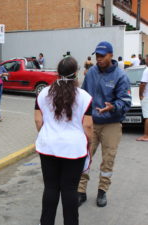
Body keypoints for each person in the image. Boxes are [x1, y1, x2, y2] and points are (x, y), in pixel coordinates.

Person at [35, 56, 93, 225]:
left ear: (58, 73)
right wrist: (88, 142)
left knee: (51, 188)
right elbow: (88, 126)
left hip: (48, 147)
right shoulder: (84, 96)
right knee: (69, 191)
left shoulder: (43, 93)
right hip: (73, 150)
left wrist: (48, 134)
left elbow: (38, 121)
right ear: (75, 74)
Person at [78, 41, 131, 208]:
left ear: (111, 55)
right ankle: (81, 191)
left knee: (108, 159)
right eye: (97, 56)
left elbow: (126, 102)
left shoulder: (121, 76)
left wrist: (114, 107)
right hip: (92, 123)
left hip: (112, 124)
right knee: (84, 157)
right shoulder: (91, 72)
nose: (99, 59)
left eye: (102, 56)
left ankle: (102, 191)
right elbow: (84, 96)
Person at [137, 55, 148, 141]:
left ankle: (146, 136)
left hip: (146, 96)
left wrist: (140, 95)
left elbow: (143, 84)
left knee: (147, 117)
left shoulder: (146, 71)